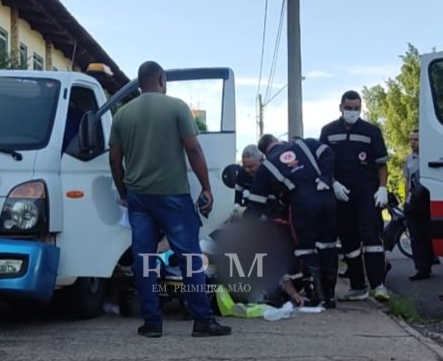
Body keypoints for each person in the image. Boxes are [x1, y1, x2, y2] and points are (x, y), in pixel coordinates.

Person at [108, 60, 231, 338]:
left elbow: (114, 158)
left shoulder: (122, 114)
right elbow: (193, 148)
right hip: (173, 195)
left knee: (144, 258)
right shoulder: (176, 107)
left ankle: (152, 323)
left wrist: (124, 192)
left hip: (139, 197)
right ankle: (202, 321)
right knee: (189, 257)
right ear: (161, 80)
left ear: (140, 83)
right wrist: (206, 187)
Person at [246, 133, 338, 309]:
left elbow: (255, 205)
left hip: (302, 205)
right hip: (327, 197)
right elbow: (328, 152)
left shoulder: (267, 166)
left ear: (263, 152)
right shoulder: (305, 144)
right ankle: (330, 296)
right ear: (278, 141)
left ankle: (317, 296)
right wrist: (326, 176)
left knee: (306, 249)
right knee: (328, 246)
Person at [320, 90, 391, 302]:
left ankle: (378, 284)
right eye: (349, 108)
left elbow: (381, 164)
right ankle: (358, 286)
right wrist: (333, 183)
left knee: (371, 237)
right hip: (341, 193)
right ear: (340, 107)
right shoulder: (328, 131)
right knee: (349, 242)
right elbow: (322, 162)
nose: (353, 112)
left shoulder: (371, 131)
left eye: (357, 108)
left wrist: (382, 188)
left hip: (366, 191)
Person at [404, 129, 437, 280]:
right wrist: (406, 199)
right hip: (414, 200)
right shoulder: (409, 159)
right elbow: (407, 180)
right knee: (415, 236)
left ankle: (430, 260)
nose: (413, 143)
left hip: (427, 199)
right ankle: (421, 268)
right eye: (411, 139)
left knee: (428, 233)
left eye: (416, 139)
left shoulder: (430, 156)